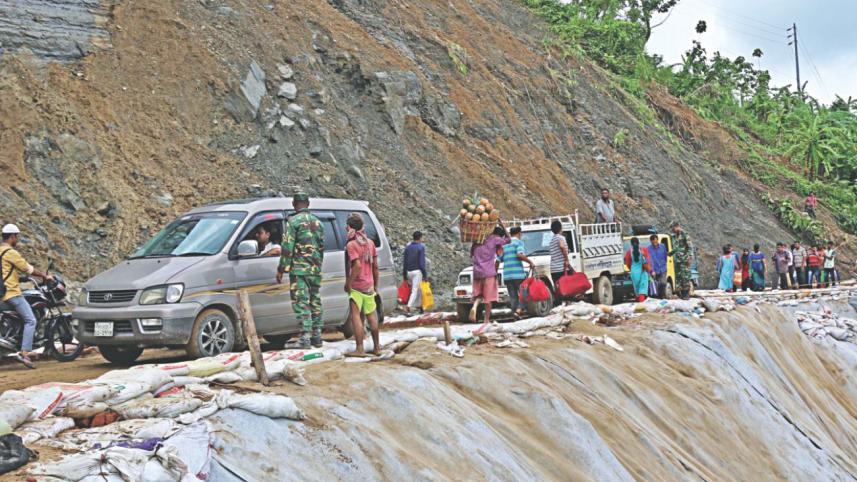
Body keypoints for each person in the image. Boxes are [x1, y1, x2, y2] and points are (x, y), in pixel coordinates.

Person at [1, 224, 54, 369]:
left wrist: (19, 279)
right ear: (12, 236)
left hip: (2, 294)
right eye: (17, 236)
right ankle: (25, 352)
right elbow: (28, 268)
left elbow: (5, 273)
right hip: (11, 294)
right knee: (30, 320)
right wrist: (45, 276)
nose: (17, 239)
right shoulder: (10, 252)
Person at [276, 193, 324, 349]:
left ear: (293, 204)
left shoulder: (293, 222)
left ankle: (305, 338)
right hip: (315, 269)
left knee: (301, 302)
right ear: (308, 204)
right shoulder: (318, 222)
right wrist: (317, 266)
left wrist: (281, 269)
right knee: (315, 300)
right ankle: (317, 336)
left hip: (299, 270)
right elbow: (321, 248)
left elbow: (287, 247)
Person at [344, 213, 381, 357]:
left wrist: (349, 283)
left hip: (357, 286)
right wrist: (375, 285)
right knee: (371, 316)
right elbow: (375, 267)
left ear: (350, 228)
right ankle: (377, 347)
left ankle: (360, 349)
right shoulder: (370, 243)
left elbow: (357, 266)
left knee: (356, 316)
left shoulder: (351, 245)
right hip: (369, 285)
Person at [469, 223, 511, 324]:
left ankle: (475, 306)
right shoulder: (495, 239)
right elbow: (509, 239)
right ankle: (486, 320)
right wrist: (502, 225)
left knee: (479, 295)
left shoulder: (477, 240)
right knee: (488, 299)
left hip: (477, 272)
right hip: (489, 273)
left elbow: (471, 254)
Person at [501, 227, 534, 318]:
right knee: (524, 293)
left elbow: (499, 259)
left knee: (513, 297)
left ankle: (515, 315)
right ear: (519, 233)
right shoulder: (519, 242)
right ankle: (519, 310)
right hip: (518, 275)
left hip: (507, 275)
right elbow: (519, 255)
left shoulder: (504, 244)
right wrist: (530, 262)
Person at [402, 231, 427, 314]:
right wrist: (425, 275)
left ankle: (419, 306)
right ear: (420, 238)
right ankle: (408, 306)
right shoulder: (421, 247)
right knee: (415, 290)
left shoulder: (408, 247)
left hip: (408, 271)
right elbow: (422, 263)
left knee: (418, 289)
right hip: (417, 272)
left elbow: (405, 262)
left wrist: (404, 274)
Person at [669, 221, 694, 300]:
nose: (672, 230)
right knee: (679, 277)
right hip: (678, 260)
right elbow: (677, 248)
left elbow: (690, 247)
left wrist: (689, 257)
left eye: (673, 228)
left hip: (684, 260)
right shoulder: (676, 236)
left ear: (676, 226)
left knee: (685, 277)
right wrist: (670, 254)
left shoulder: (684, 234)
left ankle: (686, 294)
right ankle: (681, 294)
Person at [625, 237, 652, 302]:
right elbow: (648, 260)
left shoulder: (629, 252)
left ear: (631, 244)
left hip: (634, 272)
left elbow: (628, 263)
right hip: (643, 271)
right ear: (638, 242)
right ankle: (642, 303)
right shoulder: (644, 250)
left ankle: (639, 303)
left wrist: (632, 269)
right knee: (642, 289)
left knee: (637, 289)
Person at [548, 220, 571, 286]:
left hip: (554, 270)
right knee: (568, 288)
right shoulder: (560, 237)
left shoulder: (552, 240)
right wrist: (567, 260)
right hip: (561, 269)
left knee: (559, 289)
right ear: (561, 228)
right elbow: (561, 246)